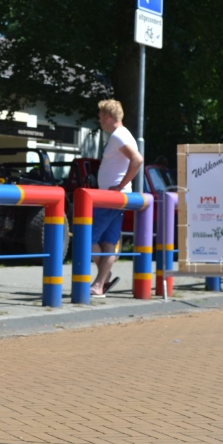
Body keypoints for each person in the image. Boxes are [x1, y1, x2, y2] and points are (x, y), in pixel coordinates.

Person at [90, 99, 144, 298]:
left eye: (100, 117)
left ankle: (102, 278)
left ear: (107, 117)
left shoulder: (119, 136)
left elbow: (137, 160)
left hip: (111, 197)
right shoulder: (123, 134)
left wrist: (119, 186)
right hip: (116, 197)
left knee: (85, 236)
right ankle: (101, 282)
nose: (100, 121)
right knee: (109, 242)